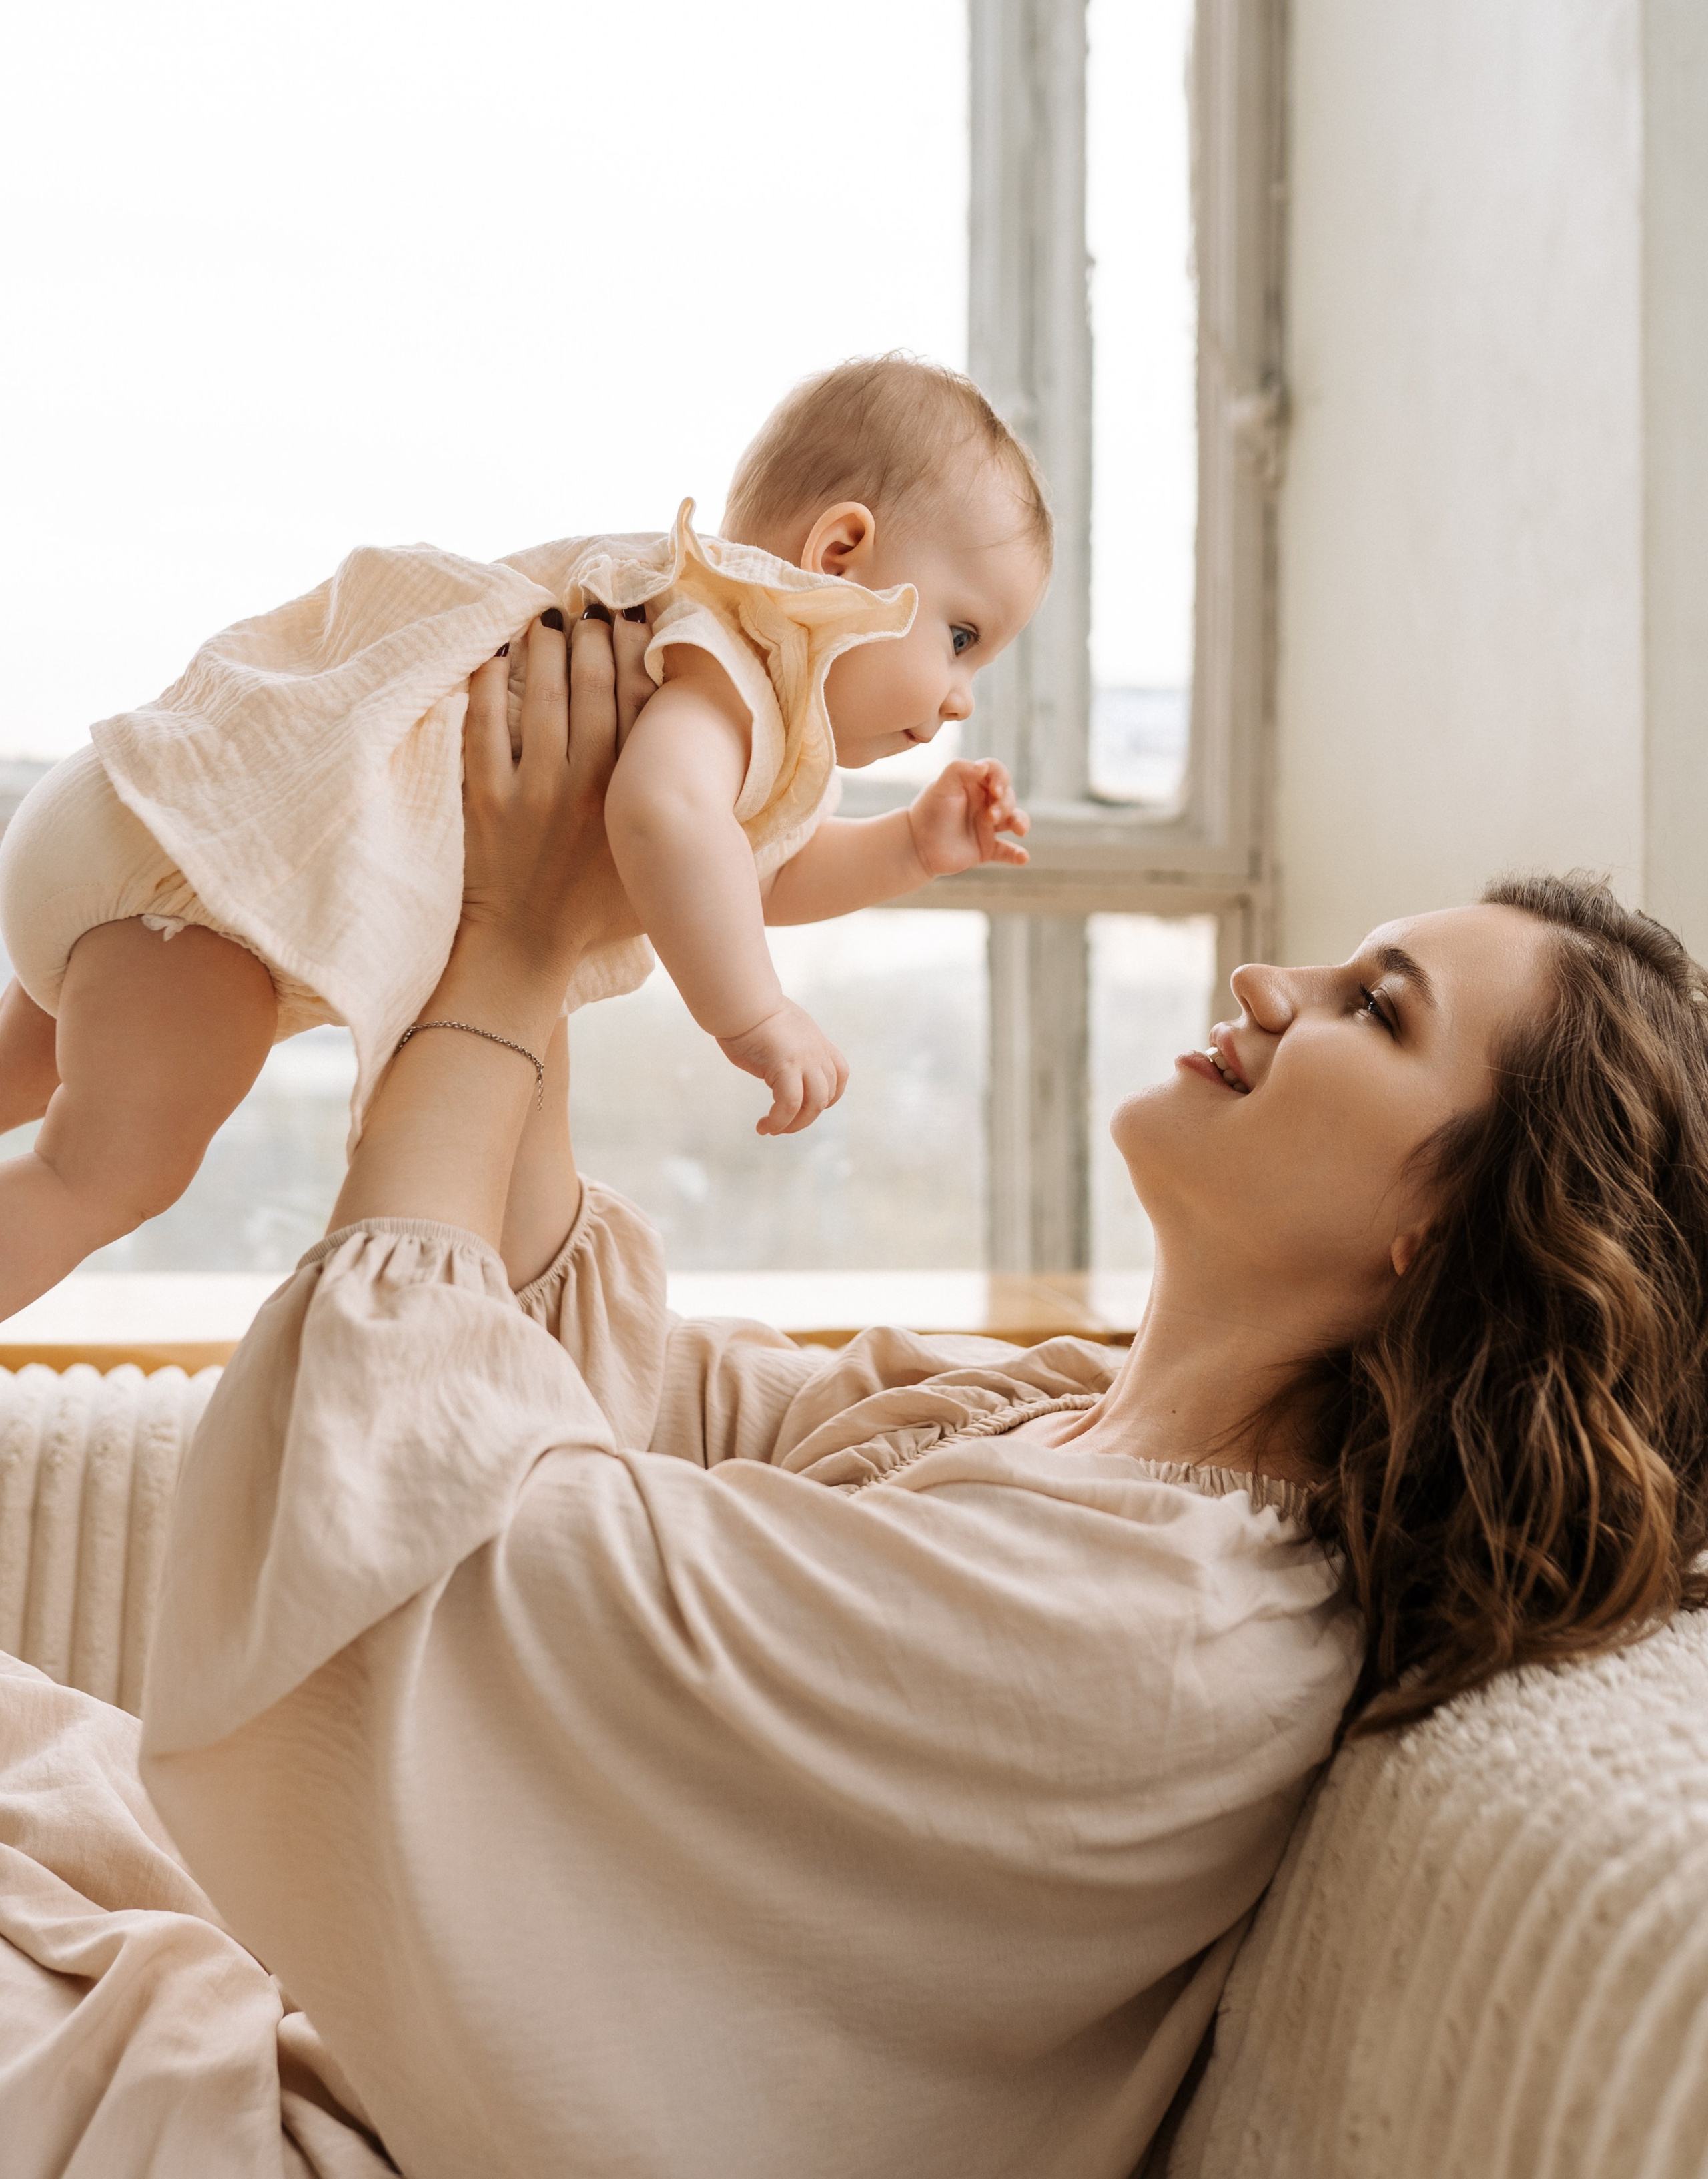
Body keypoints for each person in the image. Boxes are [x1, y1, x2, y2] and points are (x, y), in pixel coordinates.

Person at [118, 611, 1708, 2179]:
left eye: (1376, 1005)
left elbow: (411, 1536)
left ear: (1432, 1238)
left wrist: (513, 954)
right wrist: (540, 896)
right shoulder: (1074, 1413)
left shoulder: (1152, 1629)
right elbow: (579, 1377)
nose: (1266, 979)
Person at [0, 354, 1048, 1321]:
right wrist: (754, 1012)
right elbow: (667, 820)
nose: (960, 698)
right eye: (960, 636)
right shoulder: (726, 655)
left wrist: (909, 845)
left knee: (29, 1071)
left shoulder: (715, 680)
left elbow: (739, 870)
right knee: (98, 1175)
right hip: (196, 896)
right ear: (840, 552)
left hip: (139, 808)